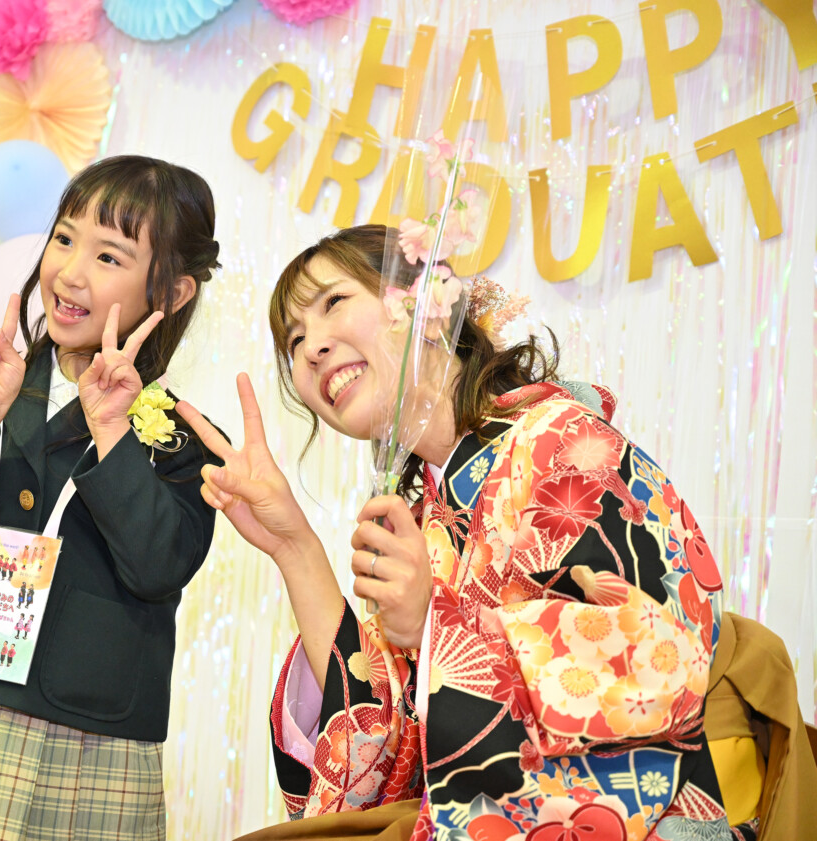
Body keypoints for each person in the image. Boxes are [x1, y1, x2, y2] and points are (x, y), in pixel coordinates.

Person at [178, 225, 742, 840]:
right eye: (294, 339)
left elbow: (661, 655)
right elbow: (389, 745)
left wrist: (432, 624)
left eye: (333, 302)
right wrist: (294, 547)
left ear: (427, 305)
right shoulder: (428, 519)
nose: (311, 347)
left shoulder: (563, 441)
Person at [0, 155, 223, 841]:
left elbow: (157, 567)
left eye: (108, 255)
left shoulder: (181, 438)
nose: (69, 272)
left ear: (173, 290)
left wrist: (112, 431)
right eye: (64, 238)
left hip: (92, 733)